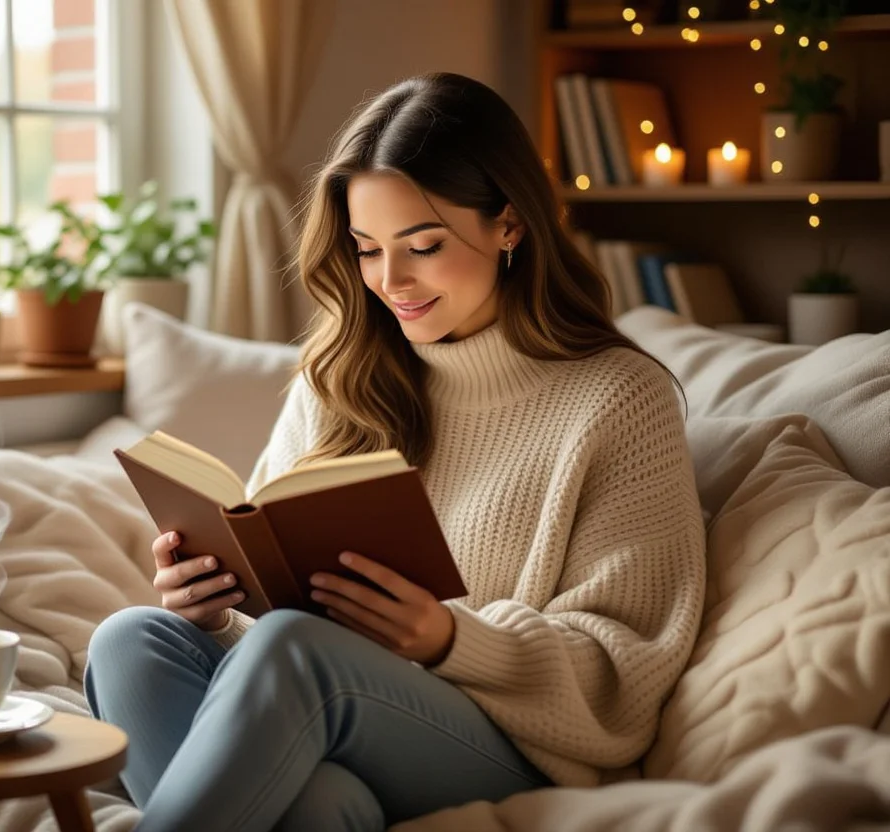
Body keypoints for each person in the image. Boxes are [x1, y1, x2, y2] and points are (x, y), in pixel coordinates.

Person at [84, 72, 706, 832]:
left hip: (508, 741)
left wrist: (452, 640)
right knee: (134, 643)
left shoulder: (618, 398)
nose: (390, 281)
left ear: (509, 224)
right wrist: (212, 608)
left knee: (296, 650)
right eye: (367, 249)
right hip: (325, 717)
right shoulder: (340, 376)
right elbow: (266, 612)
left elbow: (626, 669)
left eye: (423, 246)